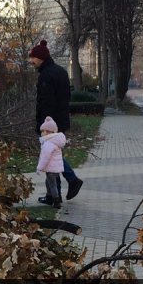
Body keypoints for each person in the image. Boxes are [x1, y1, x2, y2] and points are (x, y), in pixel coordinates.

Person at [28, 40, 84, 201]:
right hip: (60, 120)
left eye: (33, 58)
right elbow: (65, 98)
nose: (31, 61)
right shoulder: (60, 72)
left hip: (50, 124)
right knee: (54, 155)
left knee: (51, 156)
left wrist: (44, 127)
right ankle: (54, 194)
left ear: (41, 58)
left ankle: (69, 182)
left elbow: (46, 103)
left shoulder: (46, 76)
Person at [36, 116, 66, 209]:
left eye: (43, 131)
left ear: (49, 132)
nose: (41, 133)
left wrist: (39, 168)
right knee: (49, 182)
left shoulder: (49, 143)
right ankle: (49, 197)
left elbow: (45, 157)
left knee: (52, 185)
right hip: (55, 168)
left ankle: (56, 201)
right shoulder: (55, 141)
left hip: (51, 168)